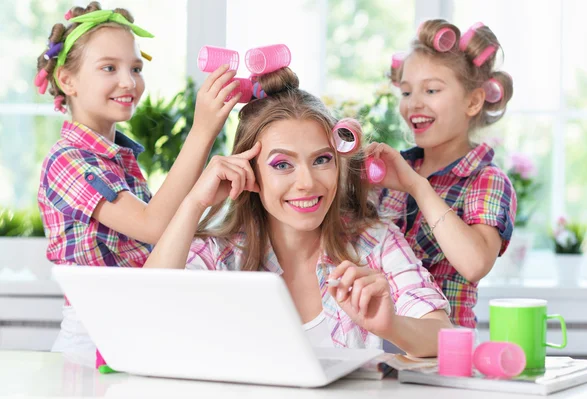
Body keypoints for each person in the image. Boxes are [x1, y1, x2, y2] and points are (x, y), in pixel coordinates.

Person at [144, 66, 452, 357]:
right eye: (282, 164)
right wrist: (194, 202)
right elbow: (143, 316)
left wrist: (390, 326)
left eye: (321, 160)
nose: (307, 182)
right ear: (249, 171)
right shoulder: (220, 253)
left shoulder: (374, 242)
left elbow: (443, 336)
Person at [35, 1, 242, 361]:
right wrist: (202, 131)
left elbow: (162, 238)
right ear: (67, 81)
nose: (128, 81)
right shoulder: (68, 161)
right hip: (93, 342)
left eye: (135, 67)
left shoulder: (116, 158)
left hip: (131, 325)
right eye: (109, 68)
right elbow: (153, 226)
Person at [368, 19, 517, 328]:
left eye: (431, 89)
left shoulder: (484, 179)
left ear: (473, 101)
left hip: (443, 358)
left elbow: (474, 264)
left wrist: (417, 187)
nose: (414, 104)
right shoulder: (390, 170)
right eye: (406, 92)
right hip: (377, 353)